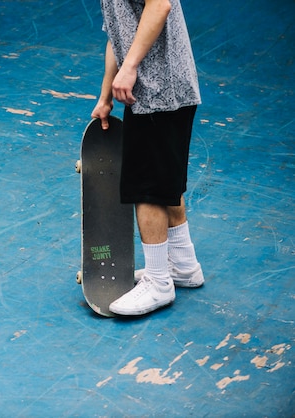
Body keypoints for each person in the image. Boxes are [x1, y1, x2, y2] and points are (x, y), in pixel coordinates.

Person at [91, 0, 204, 316]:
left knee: (147, 189)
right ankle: (183, 265)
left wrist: (129, 68)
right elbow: (119, 38)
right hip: (158, 92)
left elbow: (159, 5)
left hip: (160, 92)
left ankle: (158, 282)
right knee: (164, 178)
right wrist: (105, 98)